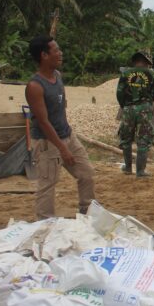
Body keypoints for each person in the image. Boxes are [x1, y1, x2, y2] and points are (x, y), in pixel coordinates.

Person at [25, 36, 96, 219]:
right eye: (56, 50)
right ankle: (45, 222)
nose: (60, 53)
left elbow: (60, 108)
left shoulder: (57, 76)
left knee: (86, 173)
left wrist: (68, 138)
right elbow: (43, 122)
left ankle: (87, 212)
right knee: (48, 184)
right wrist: (62, 148)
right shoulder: (34, 86)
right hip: (47, 142)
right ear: (44, 55)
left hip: (67, 135)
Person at [116, 51, 154, 177]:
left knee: (126, 139)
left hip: (128, 109)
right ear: (147, 62)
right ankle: (140, 171)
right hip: (144, 110)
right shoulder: (152, 74)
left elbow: (119, 93)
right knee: (143, 139)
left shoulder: (125, 73)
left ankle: (128, 168)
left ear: (135, 61)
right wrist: (148, 101)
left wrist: (124, 105)